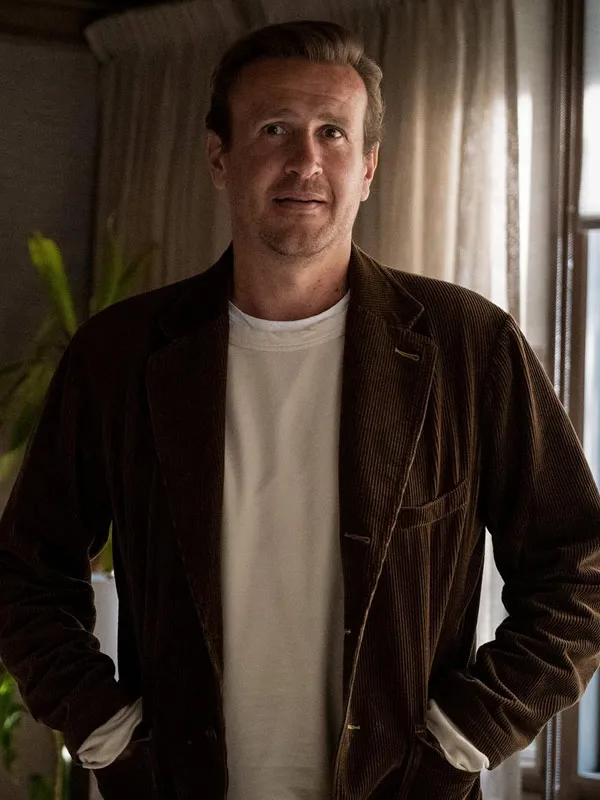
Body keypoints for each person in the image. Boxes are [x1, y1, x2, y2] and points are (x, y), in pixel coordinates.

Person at [1, 19, 599, 800]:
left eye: (332, 133)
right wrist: (105, 731)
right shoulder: (118, 355)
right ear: (219, 157)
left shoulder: (468, 346)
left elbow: (580, 572)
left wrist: (465, 736)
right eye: (275, 128)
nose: (306, 161)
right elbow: (24, 573)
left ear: (369, 167)